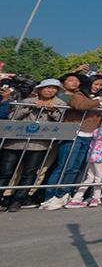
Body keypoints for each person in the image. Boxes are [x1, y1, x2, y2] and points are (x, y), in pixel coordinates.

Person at [41, 73, 102, 210]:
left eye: (100, 85)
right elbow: (81, 106)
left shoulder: (99, 97)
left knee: (76, 167)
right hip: (74, 134)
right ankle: (50, 196)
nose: (98, 87)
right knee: (65, 165)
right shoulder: (78, 95)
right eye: (96, 84)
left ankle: (64, 194)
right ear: (89, 83)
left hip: (89, 136)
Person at [0, 79, 67, 212]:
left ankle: (18, 200)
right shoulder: (26, 101)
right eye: (47, 87)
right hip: (16, 141)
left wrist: (52, 111)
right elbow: (13, 117)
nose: (50, 90)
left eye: (54, 88)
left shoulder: (61, 104)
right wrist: (29, 107)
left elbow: (60, 122)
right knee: (5, 171)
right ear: (40, 89)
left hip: (39, 143)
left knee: (30, 173)